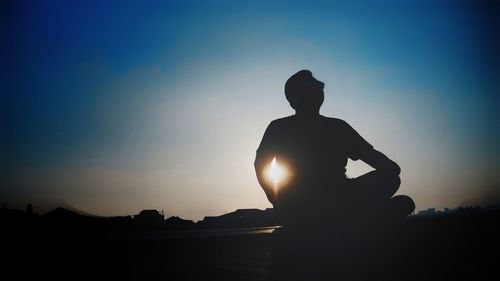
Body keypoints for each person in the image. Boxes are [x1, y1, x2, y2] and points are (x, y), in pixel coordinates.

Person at [254, 70, 415, 229]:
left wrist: (277, 200)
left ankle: (344, 217)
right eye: (315, 84)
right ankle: (356, 218)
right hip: (311, 202)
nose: (322, 86)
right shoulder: (333, 127)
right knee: (397, 192)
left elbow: (260, 165)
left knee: (396, 187)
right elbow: (261, 165)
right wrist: (277, 199)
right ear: (298, 95)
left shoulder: (335, 127)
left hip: (321, 201)